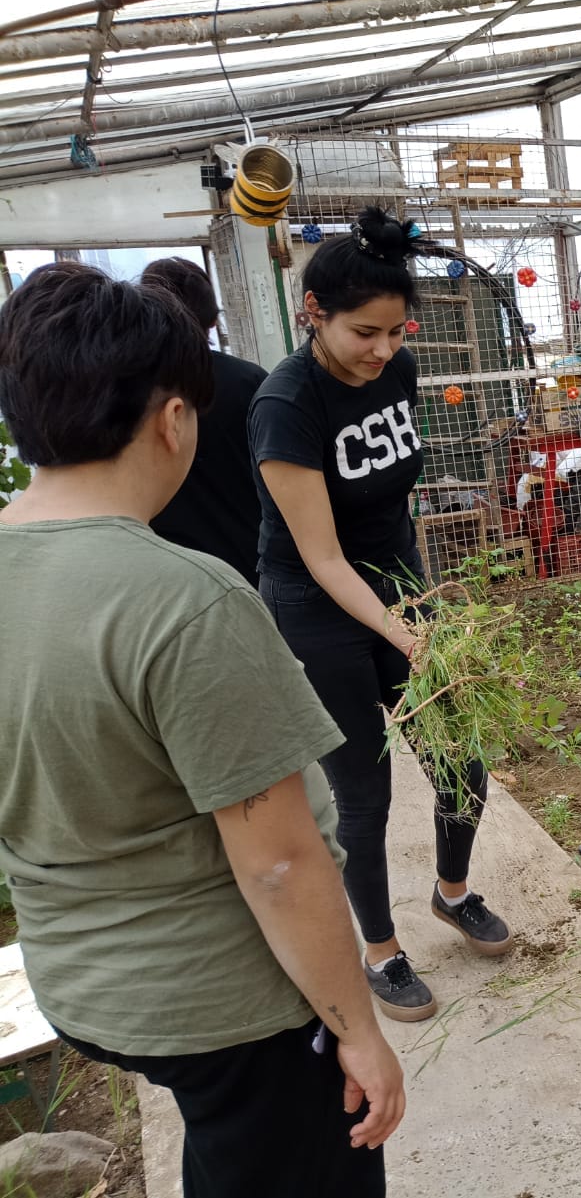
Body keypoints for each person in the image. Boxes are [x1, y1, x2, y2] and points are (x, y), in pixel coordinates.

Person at [0, 263, 403, 1196]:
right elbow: (279, 863)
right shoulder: (184, 600)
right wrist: (357, 1028)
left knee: (228, 1140)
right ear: (174, 419)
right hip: (221, 1000)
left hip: (81, 980)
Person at [249, 207, 511, 1024]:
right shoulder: (286, 405)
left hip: (399, 589)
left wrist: (419, 601)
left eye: (397, 332)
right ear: (313, 312)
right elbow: (324, 558)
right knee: (364, 793)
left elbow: (392, 504)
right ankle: (381, 951)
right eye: (365, 332)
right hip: (315, 608)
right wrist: (401, 630)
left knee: (462, 759)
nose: (383, 350)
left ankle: (452, 892)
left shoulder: (396, 373)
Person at [140, 257, 268, 586]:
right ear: (212, 319)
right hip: (255, 554)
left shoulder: (134, 391)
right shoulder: (249, 380)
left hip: (175, 568)